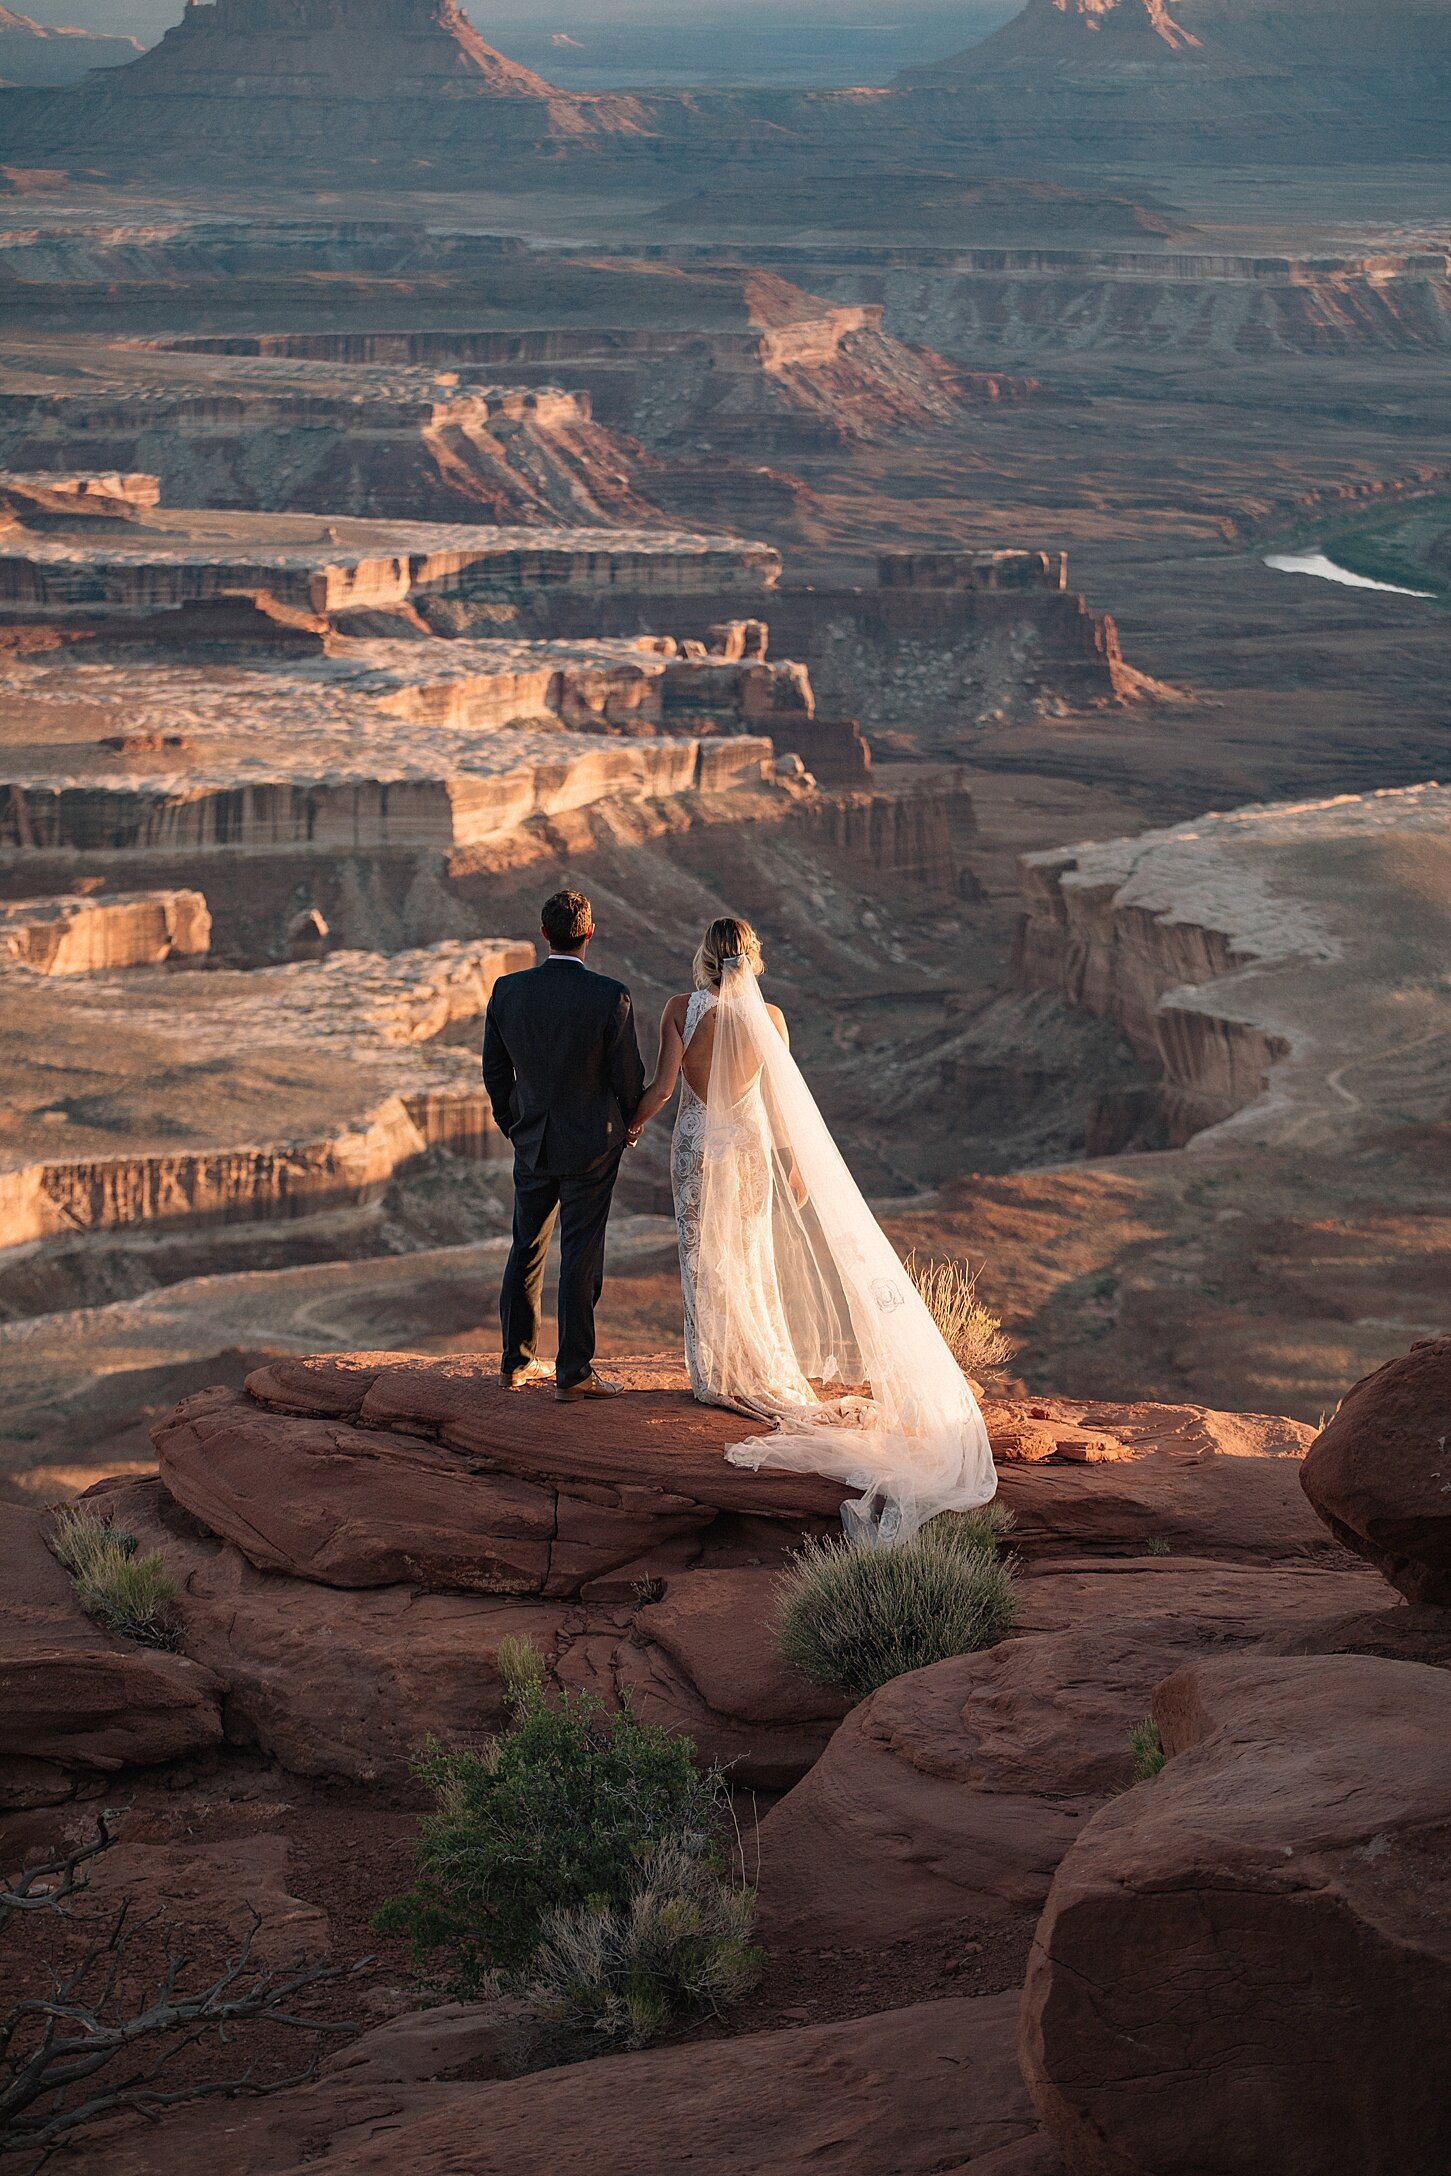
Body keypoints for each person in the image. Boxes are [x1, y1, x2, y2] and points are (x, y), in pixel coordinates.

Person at [629, 914, 996, 1541]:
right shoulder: (769, 1021)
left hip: (696, 1147)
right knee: (750, 1255)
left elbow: (664, 1087)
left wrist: (630, 1125)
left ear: (704, 959)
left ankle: (714, 1375)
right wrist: (797, 1164)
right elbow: (781, 1102)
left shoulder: (679, 1010)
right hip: (749, 1149)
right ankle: (756, 1364)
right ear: (752, 959)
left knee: (701, 1256)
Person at [483, 888, 645, 1401]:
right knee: (579, 1254)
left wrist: (515, 1125)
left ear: (544, 932)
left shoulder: (507, 991)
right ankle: (574, 1373)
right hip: (593, 1148)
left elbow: (494, 1073)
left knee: (525, 1249)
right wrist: (628, 1125)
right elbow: (629, 1077)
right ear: (590, 934)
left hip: (533, 1142)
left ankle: (516, 1363)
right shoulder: (610, 996)